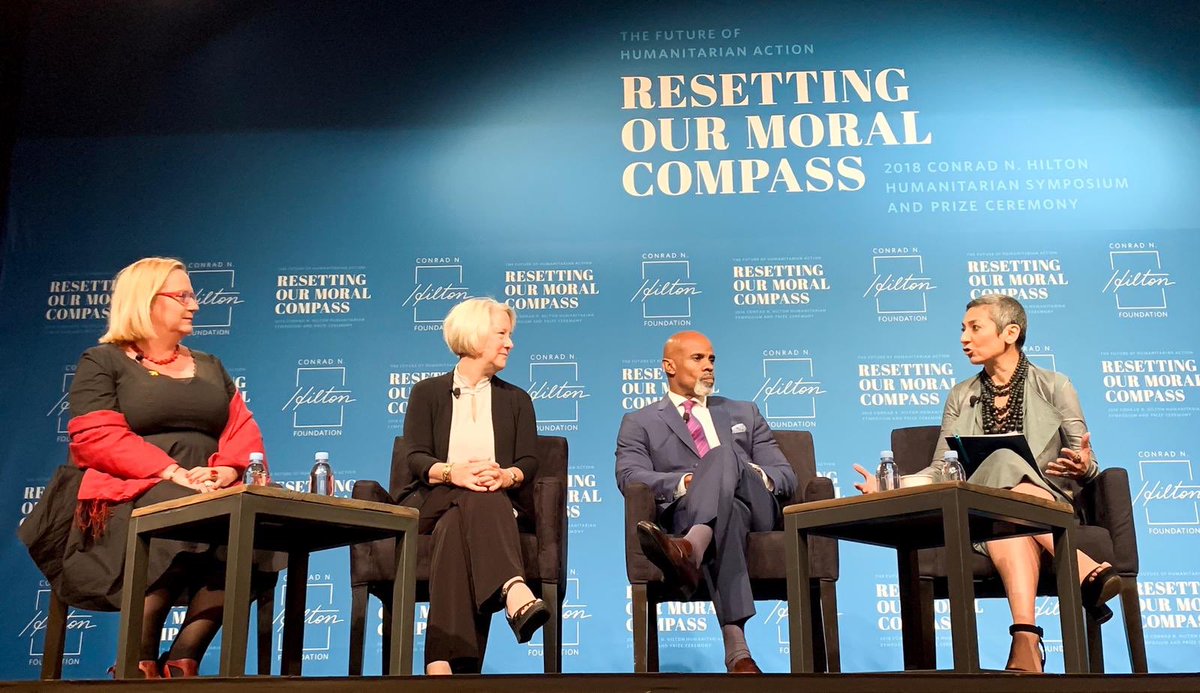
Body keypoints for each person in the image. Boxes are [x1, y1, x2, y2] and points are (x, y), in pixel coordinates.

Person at [853, 294, 1121, 673]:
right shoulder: (961, 396)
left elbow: (1087, 463)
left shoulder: (1055, 386)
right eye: (963, 328)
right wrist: (894, 485)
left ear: (1010, 332)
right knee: (1003, 489)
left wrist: (1083, 465)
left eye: (974, 327)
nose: (964, 337)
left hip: (1049, 503)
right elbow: (940, 471)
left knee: (1007, 486)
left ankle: (1026, 641)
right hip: (982, 514)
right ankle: (1082, 570)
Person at [53, 257, 267, 678]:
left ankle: (184, 659)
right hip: (128, 489)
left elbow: (242, 428)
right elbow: (97, 436)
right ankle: (138, 658)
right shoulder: (103, 362)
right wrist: (171, 473)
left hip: (207, 484)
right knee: (184, 514)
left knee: (258, 524)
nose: (195, 305)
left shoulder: (210, 365)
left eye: (193, 295)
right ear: (146, 301)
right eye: (183, 295)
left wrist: (226, 471)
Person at [615, 331, 796, 674]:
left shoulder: (745, 411)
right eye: (697, 359)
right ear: (669, 366)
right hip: (693, 511)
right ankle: (738, 653)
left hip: (758, 506)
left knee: (724, 456)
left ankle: (689, 550)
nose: (708, 366)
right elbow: (630, 477)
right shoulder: (640, 422)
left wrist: (743, 471)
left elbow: (785, 476)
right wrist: (687, 482)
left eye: (711, 359)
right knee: (728, 513)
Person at [398, 297, 548, 675]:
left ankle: (443, 666)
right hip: (434, 500)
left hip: (488, 506)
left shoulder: (516, 399)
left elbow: (528, 461)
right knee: (474, 496)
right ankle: (514, 589)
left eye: (509, 335)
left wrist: (504, 476)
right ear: (476, 335)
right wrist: (454, 473)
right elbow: (414, 457)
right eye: (502, 334)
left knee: (461, 523)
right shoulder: (427, 392)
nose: (510, 343)